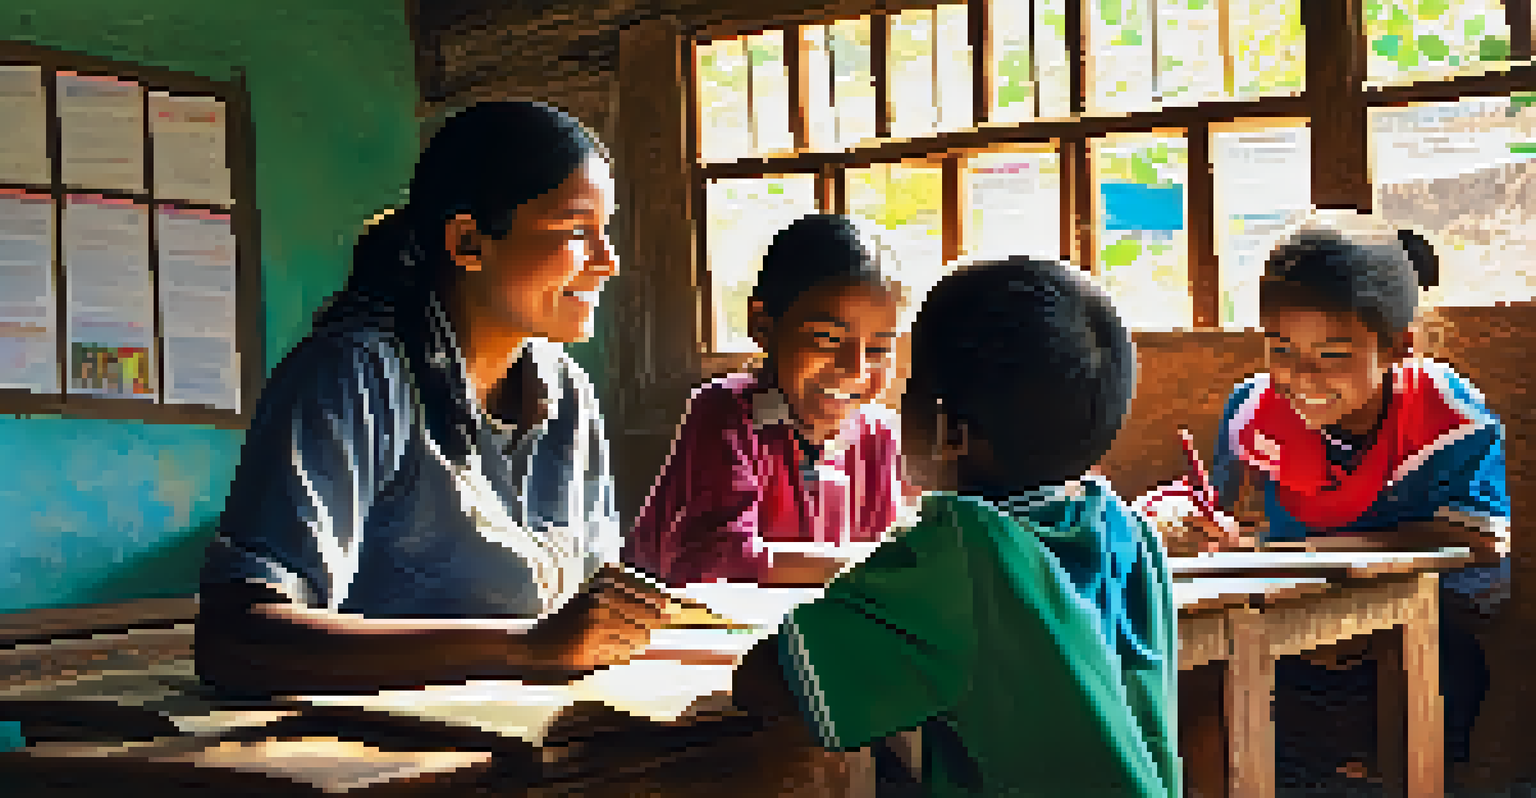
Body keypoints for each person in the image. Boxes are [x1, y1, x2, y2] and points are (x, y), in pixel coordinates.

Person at [195, 101, 671, 697]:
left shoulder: (568, 391)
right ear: (468, 242)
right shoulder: (354, 373)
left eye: (607, 231)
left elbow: (587, 601)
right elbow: (233, 637)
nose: (609, 262)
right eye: (577, 231)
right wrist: (525, 650)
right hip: (371, 755)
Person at [727, 256, 1181, 797]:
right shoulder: (1130, 535)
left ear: (948, 430)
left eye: (911, 385)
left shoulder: (959, 551)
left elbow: (773, 681)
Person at [1195, 219, 1510, 785]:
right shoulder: (1253, 409)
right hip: (1292, 641)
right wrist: (1206, 527)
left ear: (1398, 346)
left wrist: (1324, 548)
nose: (1300, 376)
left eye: (1332, 355)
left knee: (1449, 676)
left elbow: (1484, 544)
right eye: (1280, 348)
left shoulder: (1447, 416)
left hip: (1419, 638)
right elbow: (1216, 509)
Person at [623, 214, 908, 587]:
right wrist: (865, 566)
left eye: (878, 348)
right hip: (673, 628)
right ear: (763, 326)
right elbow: (715, 560)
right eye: (827, 339)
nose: (854, 369)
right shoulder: (726, 413)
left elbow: (890, 557)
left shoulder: (878, 436)